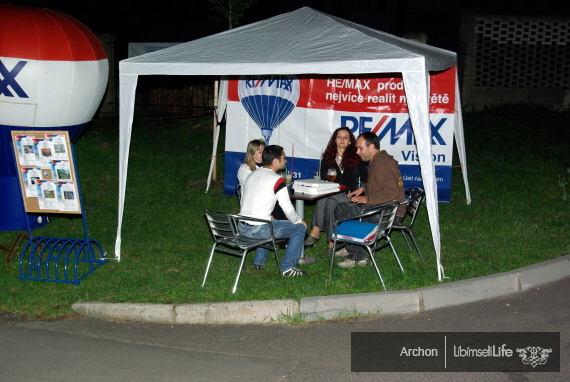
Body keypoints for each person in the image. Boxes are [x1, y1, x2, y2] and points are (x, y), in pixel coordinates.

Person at [335, 132, 407, 268]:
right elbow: (378, 183)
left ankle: (358, 257)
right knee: (346, 207)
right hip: (386, 207)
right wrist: (363, 189)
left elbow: (392, 191)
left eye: (360, 148)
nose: (357, 152)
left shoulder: (382, 165)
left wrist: (367, 199)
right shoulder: (379, 160)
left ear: (372, 146)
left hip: (388, 213)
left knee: (343, 210)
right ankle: (352, 246)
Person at [238, 145, 308, 277]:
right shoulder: (277, 179)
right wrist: (299, 221)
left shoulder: (252, 174)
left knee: (270, 221)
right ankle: (287, 267)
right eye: (284, 158)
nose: (286, 161)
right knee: (299, 228)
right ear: (275, 161)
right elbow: (287, 208)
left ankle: (258, 262)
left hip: (242, 227)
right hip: (259, 230)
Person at [303, 127, 368, 257]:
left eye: (346, 137)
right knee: (328, 199)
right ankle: (331, 244)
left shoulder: (356, 158)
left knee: (328, 199)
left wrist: (362, 189)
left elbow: (368, 179)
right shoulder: (328, 158)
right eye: (339, 137)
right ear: (335, 140)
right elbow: (323, 181)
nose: (342, 139)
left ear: (350, 141)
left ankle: (316, 232)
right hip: (331, 194)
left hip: (349, 195)